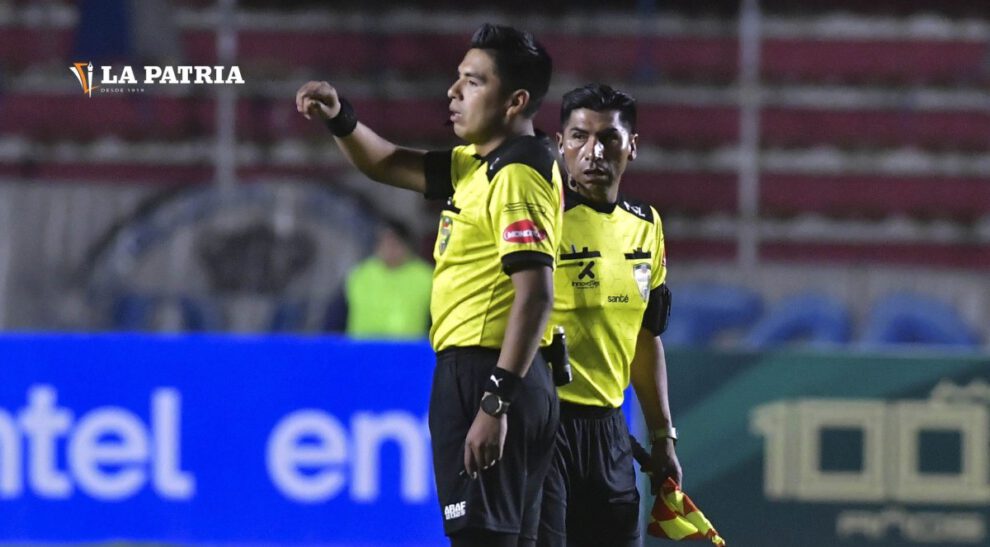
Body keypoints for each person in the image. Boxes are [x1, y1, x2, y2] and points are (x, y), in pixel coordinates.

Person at [296, 23, 564, 547]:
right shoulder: (480, 166)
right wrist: (340, 118)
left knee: (482, 539)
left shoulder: (516, 175)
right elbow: (386, 162)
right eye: (457, 78)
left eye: (473, 81)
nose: (453, 91)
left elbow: (536, 294)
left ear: (515, 101)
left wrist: (495, 402)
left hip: (489, 371)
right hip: (490, 374)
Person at [537, 84, 682, 547]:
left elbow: (646, 338)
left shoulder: (648, 224)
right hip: (544, 425)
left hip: (610, 432)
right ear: (560, 144)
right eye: (578, 137)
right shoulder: (540, 221)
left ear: (632, 146)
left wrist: (663, 436)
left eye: (609, 138)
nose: (593, 151)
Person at [325, 219, 433, 339]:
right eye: (384, 243)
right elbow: (335, 318)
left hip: (409, 353)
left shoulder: (426, 277)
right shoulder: (359, 275)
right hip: (362, 351)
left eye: (394, 244)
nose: (389, 250)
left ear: (407, 245)